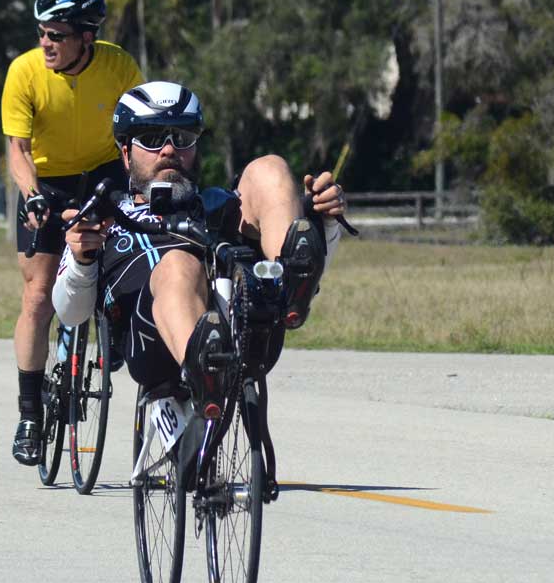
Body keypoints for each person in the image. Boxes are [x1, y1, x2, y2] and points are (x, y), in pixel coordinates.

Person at [51, 81, 346, 420]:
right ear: (125, 152)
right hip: (151, 343)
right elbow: (70, 314)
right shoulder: (103, 219)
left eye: (182, 138)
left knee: (269, 168)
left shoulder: (216, 205)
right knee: (178, 265)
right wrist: (81, 259)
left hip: (249, 325)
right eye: (151, 138)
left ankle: (286, 288)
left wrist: (326, 223)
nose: (168, 150)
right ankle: (205, 371)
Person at [2, 0, 144, 465]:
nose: (46, 43)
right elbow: (18, 150)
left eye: (57, 35)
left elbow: (138, 132)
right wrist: (33, 195)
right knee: (38, 295)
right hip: (48, 181)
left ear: (86, 36)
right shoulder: (24, 72)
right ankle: (29, 414)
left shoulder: (119, 65)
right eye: (42, 32)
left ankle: (116, 324)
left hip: (104, 173)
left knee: (131, 257)